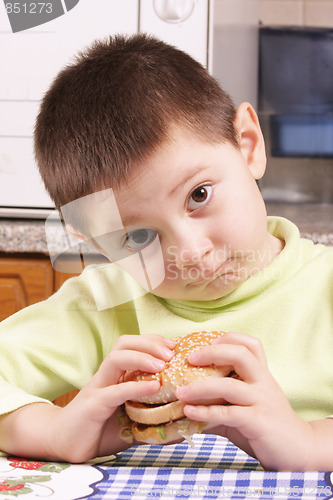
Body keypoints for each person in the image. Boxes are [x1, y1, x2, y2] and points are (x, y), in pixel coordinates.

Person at [0, 33, 332, 471]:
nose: (191, 254)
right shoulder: (104, 302)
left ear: (247, 144)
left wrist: (309, 440)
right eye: (137, 238)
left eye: (198, 195)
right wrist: (56, 431)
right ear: (93, 242)